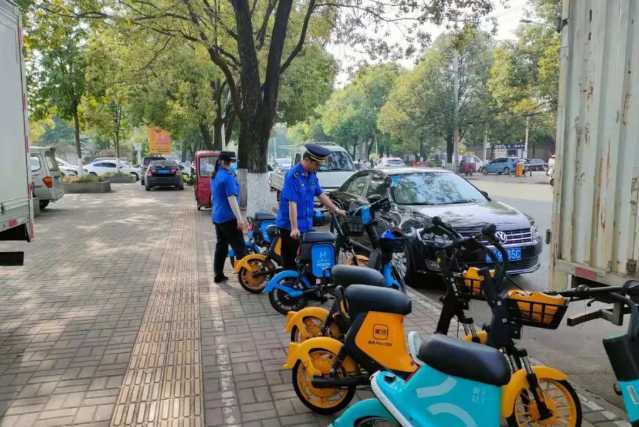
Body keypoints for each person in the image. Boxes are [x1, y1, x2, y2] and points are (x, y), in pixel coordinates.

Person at [276, 144, 346, 269]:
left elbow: (320, 193)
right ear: (307, 160)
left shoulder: (311, 174)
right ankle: (286, 286)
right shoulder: (293, 176)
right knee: (290, 261)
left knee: (307, 258)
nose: (318, 168)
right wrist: (294, 228)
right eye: (316, 165)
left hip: (306, 224)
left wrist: (335, 209)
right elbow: (292, 202)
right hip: (290, 226)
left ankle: (302, 284)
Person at [211, 151, 247, 283]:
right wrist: (239, 218)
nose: (229, 164)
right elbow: (232, 199)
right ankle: (248, 278)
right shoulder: (227, 177)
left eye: (231, 162)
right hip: (228, 217)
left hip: (217, 216)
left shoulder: (215, 175)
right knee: (240, 248)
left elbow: (213, 196)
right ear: (221, 161)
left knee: (221, 246)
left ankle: (218, 274)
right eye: (228, 162)